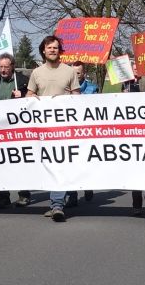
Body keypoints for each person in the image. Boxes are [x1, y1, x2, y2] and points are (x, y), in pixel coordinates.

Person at [27, 35, 81, 222]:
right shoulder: (36, 73)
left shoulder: (70, 72)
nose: (52, 50)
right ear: (43, 50)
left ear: (60, 51)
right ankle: (66, 195)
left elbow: (77, 97)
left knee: (61, 162)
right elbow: (30, 94)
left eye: (56, 48)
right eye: (49, 47)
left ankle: (57, 204)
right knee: (54, 164)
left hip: (65, 127)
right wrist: (30, 99)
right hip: (44, 128)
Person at [0, 53, 31, 209]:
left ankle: (24, 194)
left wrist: (24, 95)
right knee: (0, 163)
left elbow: (34, 100)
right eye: (1, 67)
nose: (3, 70)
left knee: (20, 161)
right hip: (0, 129)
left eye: (6, 67)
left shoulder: (23, 82)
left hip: (19, 129)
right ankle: (3, 196)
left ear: (12, 66)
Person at [122, 62, 145, 215]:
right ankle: (136, 203)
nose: (135, 71)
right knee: (135, 167)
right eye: (133, 68)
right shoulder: (124, 82)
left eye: (137, 68)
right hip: (130, 131)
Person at [64, 60, 97, 206]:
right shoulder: (64, 87)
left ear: (83, 73)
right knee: (70, 163)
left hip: (86, 132)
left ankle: (88, 185)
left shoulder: (92, 88)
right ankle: (72, 195)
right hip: (69, 131)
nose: (75, 76)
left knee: (85, 161)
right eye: (73, 73)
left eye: (78, 73)